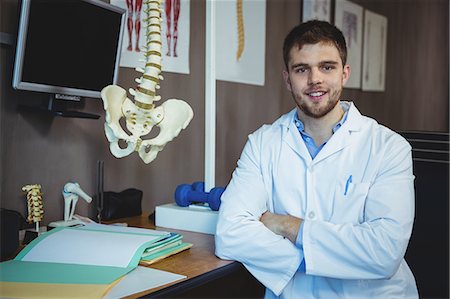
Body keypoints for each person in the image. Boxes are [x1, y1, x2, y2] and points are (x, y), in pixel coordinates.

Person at [215, 20, 418, 299]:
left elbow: (384, 252)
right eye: (302, 69)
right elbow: (230, 233)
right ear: (287, 78)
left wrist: (288, 226)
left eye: (327, 67)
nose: (315, 80)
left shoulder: (389, 147)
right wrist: (315, 258)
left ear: (344, 73)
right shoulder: (263, 143)